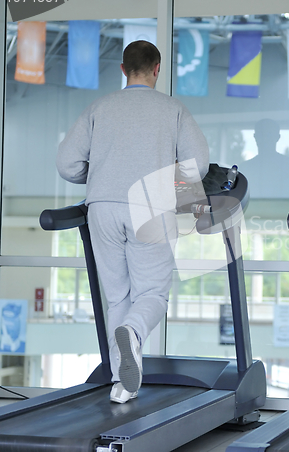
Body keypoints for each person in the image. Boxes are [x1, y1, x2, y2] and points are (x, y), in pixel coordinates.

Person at [56, 41, 209, 404]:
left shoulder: (99, 108)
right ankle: (133, 332)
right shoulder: (173, 109)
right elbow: (198, 166)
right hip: (151, 203)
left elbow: (66, 164)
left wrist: (101, 178)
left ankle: (122, 384)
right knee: (152, 294)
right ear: (157, 69)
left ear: (123, 70)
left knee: (118, 297)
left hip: (102, 208)